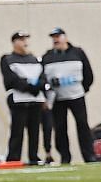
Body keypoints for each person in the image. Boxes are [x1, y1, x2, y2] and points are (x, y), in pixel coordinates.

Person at [40, 27, 96, 164]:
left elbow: (88, 74)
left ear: (65, 37)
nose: (55, 40)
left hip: (76, 96)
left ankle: (89, 155)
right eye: (53, 37)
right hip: (58, 98)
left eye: (58, 36)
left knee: (82, 125)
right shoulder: (47, 56)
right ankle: (65, 157)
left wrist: (83, 89)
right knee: (60, 128)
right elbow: (43, 77)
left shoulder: (78, 53)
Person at [0, 30, 47, 164]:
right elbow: (11, 80)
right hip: (19, 100)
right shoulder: (8, 59)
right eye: (21, 40)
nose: (25, 42)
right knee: (17, 131)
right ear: (14, 42)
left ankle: (34, 156)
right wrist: (31, 87)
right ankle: (14, 158)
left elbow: (43, 79)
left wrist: (35, 87)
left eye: (26, 39)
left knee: (35, 131)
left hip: (35, 100)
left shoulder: (35, 59)